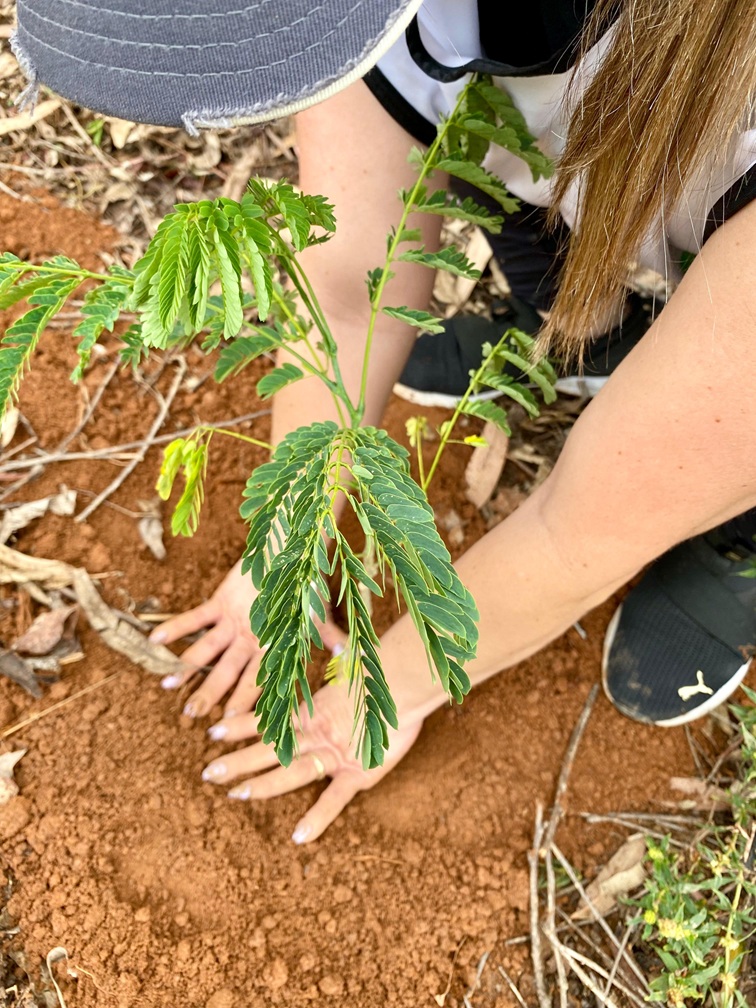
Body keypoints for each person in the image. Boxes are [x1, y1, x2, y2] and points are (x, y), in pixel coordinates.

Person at [11, 0, 756, 844]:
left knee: (700, 455)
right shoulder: (357, 16)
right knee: (508, 162)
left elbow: (584, 525)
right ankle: (583, 338)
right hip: (610, 114)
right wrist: (287, 545)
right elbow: (349, 294)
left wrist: (391, 687)